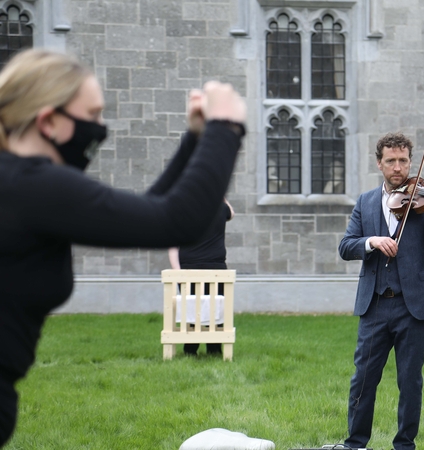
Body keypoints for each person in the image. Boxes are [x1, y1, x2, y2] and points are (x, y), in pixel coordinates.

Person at [0, 49, 246, 446]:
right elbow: (176, 221)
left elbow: (151, 212)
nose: (101, 128)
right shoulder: (31, 186)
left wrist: (196, 139)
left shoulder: (19, 181)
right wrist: (226, 128)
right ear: (49, 122)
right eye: (93, 115)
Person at [338, 132, 424, 450]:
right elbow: (346, 246)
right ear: (380, 163)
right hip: (375, 305)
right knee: (363, 378)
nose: (398, 167)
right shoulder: (365, 202)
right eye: (391, 161)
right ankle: (356, 443)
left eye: (403, 161)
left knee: (410, 381)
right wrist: (371, 241)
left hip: (414, 306)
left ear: (409, 162)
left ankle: (404, 445)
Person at [168, 199, 235, 356]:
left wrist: (177, 272)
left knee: (191, 307)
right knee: (216, 307)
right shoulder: (220, 207)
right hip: (216, 267)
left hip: (188, 267)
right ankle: (214, 350)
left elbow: (172, 245)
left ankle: (190, 350)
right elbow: (232, 214)